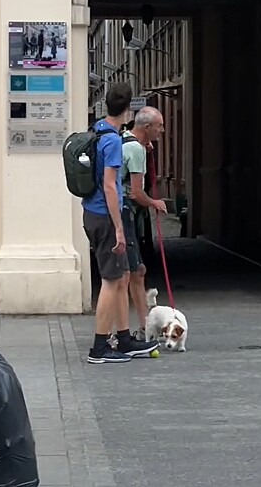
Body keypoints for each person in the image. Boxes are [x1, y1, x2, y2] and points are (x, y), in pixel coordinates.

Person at [82, 84, 159, 364]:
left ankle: (124, 341)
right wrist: (118, 227)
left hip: (91, 211)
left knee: (122, 276)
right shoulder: (113, 140)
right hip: (104, 215)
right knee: (112, 281)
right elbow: (110, 185)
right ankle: (99, 348)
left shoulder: (98, 129)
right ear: (127, 111)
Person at [120, 107, 168, 341]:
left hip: (118, 213)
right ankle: (135, 330)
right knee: (129, 273)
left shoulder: (126, 142)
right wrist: (155, 203)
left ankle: (141, 327)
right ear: (146, 127)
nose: (162, 130)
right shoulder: (135, 149)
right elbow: (136, 193)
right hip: (124, 213)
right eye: (159, 126)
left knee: (134, 271)